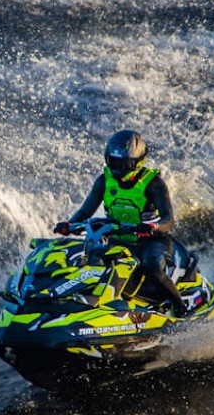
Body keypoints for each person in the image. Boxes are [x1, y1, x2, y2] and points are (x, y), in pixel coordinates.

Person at [54, 130, 188, 316]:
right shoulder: (104, 181)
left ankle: (181, 308)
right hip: (118, 239)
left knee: (152, 269)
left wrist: (152, 227)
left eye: (123, 164)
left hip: (151, 242)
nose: (117, 169)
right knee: (86, 261)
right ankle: (79, 308)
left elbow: (169, 220)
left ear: (137, 161)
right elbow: (85, 211)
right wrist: (69, 226)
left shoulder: (153, 183)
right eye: (113, 163)